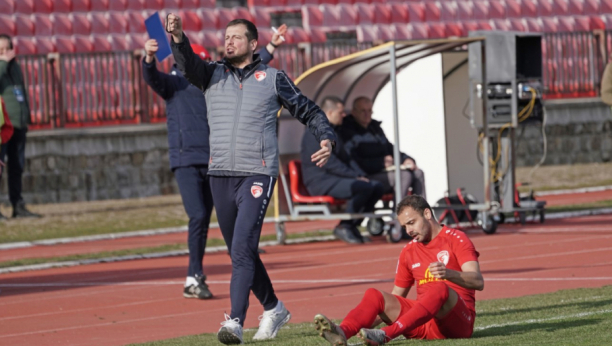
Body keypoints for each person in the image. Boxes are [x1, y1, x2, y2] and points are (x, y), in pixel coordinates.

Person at [166, 15, 336, 344]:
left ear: (253, 44)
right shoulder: (211, 74)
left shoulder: (273, 78)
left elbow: (309, 111)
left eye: (236, 37)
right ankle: (274, 308)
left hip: (257, 173)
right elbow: (187, 65)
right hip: (220, 175)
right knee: (240, 252)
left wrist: (326, 137)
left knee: (243, 248)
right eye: (226, 36)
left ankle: (234, 322)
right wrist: (177, 37)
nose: (228, 41)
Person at [142, 28, 286, 301]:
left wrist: (271, 47)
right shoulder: (175, 85)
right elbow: (151, 77)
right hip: (186, 161)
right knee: (198, 215)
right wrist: (148, 58)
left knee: (212, 220)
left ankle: (206, 274)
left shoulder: (216, 83)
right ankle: (193, 276)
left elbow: (251, 68)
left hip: (214, 161)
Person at [314, 195, 484, 345]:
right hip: (423, 324)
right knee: (375, 295)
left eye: (411, 223)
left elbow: (477, 281)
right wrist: (362, 325)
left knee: (439, 288)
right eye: (404, 227)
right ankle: (342, 332)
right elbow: (396, 298)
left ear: (427, 214)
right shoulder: (408, 251)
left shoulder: (457, 238)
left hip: (458, 323)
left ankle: (387, 335)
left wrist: (449, 273)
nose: (409, 230)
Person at [301, 96, 384, 244]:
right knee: (362, 187)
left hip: (334, 177)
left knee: (376, 186)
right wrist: (355, 177)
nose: (344, 115)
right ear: (330, 112)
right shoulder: (316, 132)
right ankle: (344, 226)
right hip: (320, 180)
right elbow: (329, 163)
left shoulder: (334, 131)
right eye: (341, 112)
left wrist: (360, 175)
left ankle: (353, 226)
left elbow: (347, 158)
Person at [342, 96, 426, 199]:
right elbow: (353, 161)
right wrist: (381, 163)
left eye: (369, 111)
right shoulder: (347, 131)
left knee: (418, 173)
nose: (367, 114)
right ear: (354, 112)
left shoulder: (375, 129)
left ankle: (420, 212)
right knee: (404, 176)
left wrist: (406, 159)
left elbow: (390, 148)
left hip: (384, 172)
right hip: (366, 176)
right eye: (363, 111)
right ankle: (399, 213)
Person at [0, 34, 40, 219]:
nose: (4, 53)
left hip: (19, 124)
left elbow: (21, 90)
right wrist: (2, 62)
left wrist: (26, 117)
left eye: (6, 49)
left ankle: (18, 205)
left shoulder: (15, 67)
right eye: (0, 50)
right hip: (3, 126)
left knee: (17, 167)